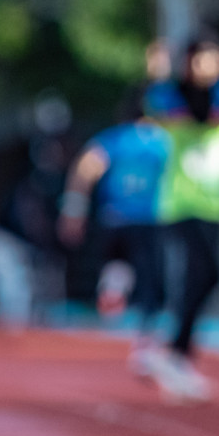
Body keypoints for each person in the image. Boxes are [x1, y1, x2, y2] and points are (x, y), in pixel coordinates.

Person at [142, 37, 219, 401]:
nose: (203, 66)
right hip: (180, 203)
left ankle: (175, 351)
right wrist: (156, 73)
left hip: (215, 204)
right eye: (198, 59)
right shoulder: (171, 95)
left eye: (210, 59)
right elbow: (155, 105)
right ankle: (175, 352)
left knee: (209, 276)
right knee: (201, 273)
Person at [59, 84, 173, 359]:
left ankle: (113, 287)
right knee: (149, 280)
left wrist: (73, 211)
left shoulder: (113, 139)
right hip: (149, 219)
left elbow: (85, 169)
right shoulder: (163, 141)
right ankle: (145, 339)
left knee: (117, 262)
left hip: (114, 217)